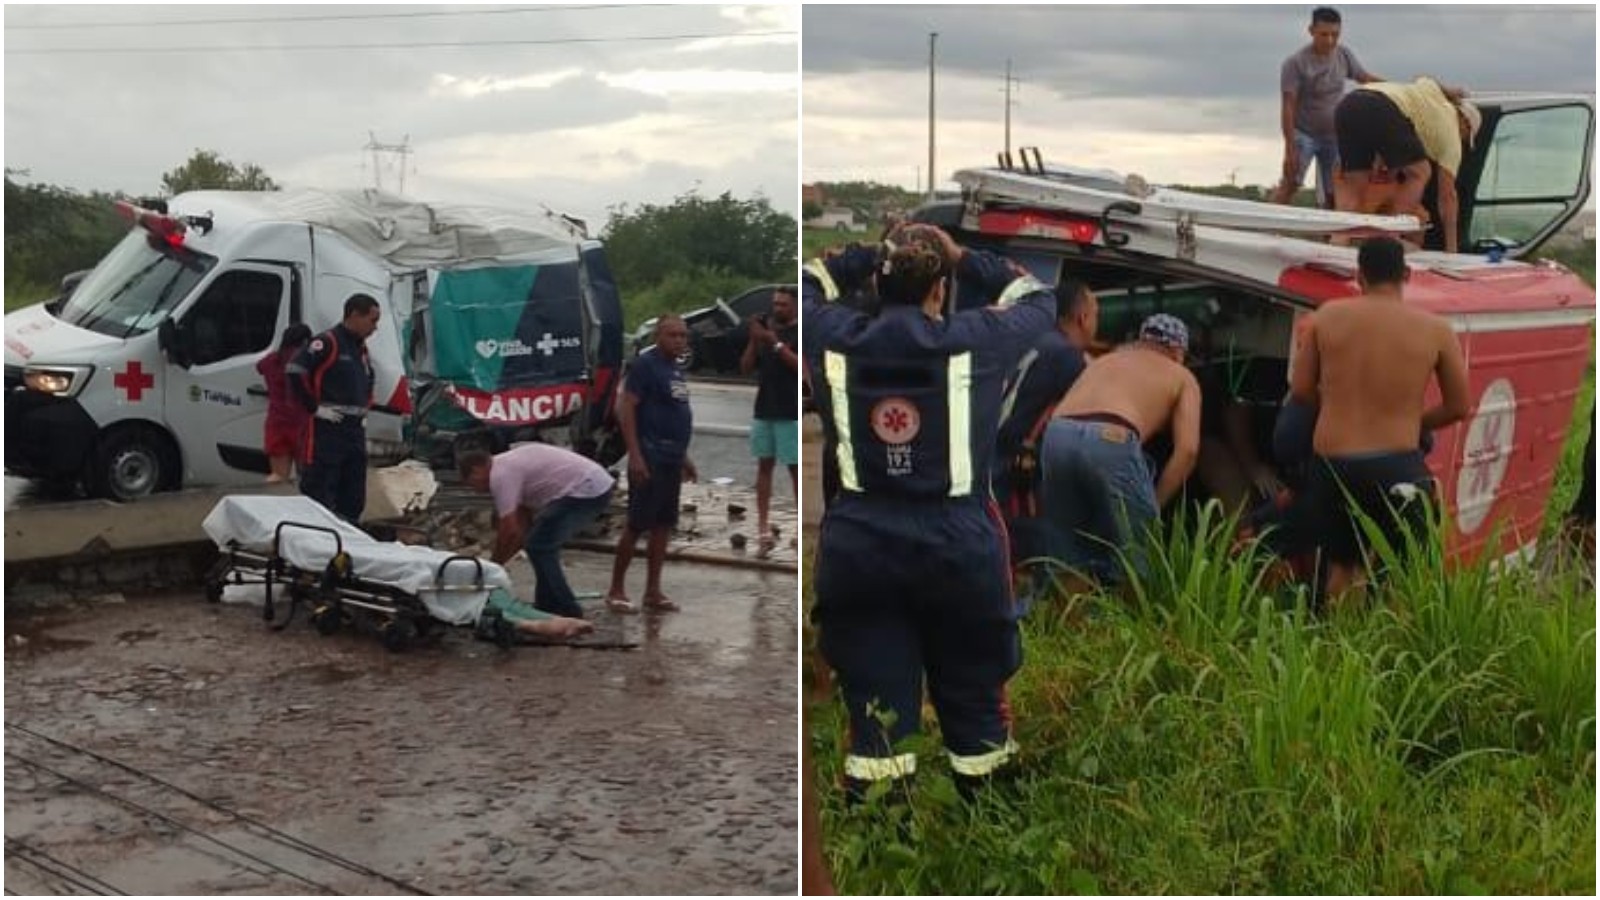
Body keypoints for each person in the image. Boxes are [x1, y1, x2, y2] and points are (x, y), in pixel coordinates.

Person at [804, 223, 1056, 800]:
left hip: (861, 543)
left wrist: (869, 253)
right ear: (940, 290)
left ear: (877, 283)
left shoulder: (832, 335)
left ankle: (880, 815)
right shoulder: (979, 338)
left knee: (875, 692)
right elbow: (1037, 297)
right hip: (958, 544)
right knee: (974, 682)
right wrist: (962, 256)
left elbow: (807, 282)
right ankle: (986, 803)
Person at [1289, 237, 1471, 606]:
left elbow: (1301, 389)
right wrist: (1415, 423)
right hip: (1396, 464)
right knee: (1401, 575)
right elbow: (1458, 406)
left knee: (1342, 569)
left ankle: (1338, 639)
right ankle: (1390, 641)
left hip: (1334, 464)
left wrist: (1334, 407)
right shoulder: (1436, 329)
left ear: (1359, 276)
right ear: (1406, 274)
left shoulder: (1326, 317)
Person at [1039, 313, 1203, 587]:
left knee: (1068, 552)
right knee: (1136, 556)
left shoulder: (1105, 360)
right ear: (1178, 350)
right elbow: (1188, 451)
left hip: (1058, 434)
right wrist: (1154, 503)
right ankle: (1127, 613)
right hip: (1111, 435)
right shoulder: (1181, 375)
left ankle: (1069, 612)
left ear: (1141, 341)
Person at [992, 278, 1096, 600]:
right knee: (1025, 543)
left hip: (992, 451)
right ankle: (1021, 610)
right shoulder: (1068, 358)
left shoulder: (1037, 342)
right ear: (1082, 317)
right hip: (1017, 464)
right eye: (1096, 313)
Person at [458, 443, 617, 619]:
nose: (477, 491)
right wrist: (500, 565)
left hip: (585, 488)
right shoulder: (507, 466)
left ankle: (567, 609)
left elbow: (509, 530)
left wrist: (492, 567)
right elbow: (522, 529)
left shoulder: (500, 475)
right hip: (591, 483)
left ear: (476, 471)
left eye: (472, 484)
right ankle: (547, 605)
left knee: (540, 547)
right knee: (536, 544)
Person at [606, 316, 698, 614]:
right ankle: (616, 589)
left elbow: (675, 413)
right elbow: (627, 408)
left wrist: (684, 458)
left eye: (683, 335)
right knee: (636, 524)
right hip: (650, 457)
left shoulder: (675, 369)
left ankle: (653, 591)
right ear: (658, 336)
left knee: (663, 525)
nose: (679, 341)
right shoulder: (646, 366)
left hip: (672, 458)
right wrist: (635, 455)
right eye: (673, 335)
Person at [1332, 76, 1482, 253]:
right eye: (1466, 137)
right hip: (1380, 106)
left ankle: (1336, 247)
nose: (1462, 141)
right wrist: (1452, 249)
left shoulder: (1429, 95)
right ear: (1464, 122)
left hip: (1349, 104)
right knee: (1421, 172)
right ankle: (1389, 236)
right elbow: (1448, 197)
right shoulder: (1451, 133)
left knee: (1352, 199)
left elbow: (1423, 79)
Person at [1271, 7, 1380, 208]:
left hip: (1334, 135)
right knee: (1291, 183)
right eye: (1324, 34)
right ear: (1311, 31)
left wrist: (1398, 88)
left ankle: (1330, 227)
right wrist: (1289, 149)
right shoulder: (1295, 63)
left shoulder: (1343, 55)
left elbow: (1364, 78)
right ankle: (1269, 222)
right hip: (1304, 133)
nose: (1330, 40)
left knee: (1335, 191)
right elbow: (1288, 106)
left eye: (1335, 35)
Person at [288, 294, 381, 524]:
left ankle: (348, 534)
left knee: (353, 494)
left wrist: (365, 408)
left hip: (354, 431)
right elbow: (295, 370)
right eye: (372, 320)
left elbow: (368, 381)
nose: (375, 328)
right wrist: (313, 408)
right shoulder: (328, 342)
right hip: (328, 429)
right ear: (354, 315)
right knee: (320, 490)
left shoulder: (362, 351)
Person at [741, 286, 800, 558]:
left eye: (784, 305)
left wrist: (774, 342)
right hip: (764, 409)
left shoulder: (799, 332)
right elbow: (745, 368)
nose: (778, 309)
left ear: (795, 306)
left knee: (795, 470)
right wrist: (755, 341)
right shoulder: (765, 332)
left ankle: (799, 526)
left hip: (790, 411)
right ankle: (763, 528)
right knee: (764, 467)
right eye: (775, 304)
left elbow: (800, 367)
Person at [256, 323, 313, 483]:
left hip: (277, 423)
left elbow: (259, 367)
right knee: (307, 478)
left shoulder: (271, 361)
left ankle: (273, 499)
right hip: (303, 424)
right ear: (305, 341)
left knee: (278, 476)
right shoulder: (307, 361)